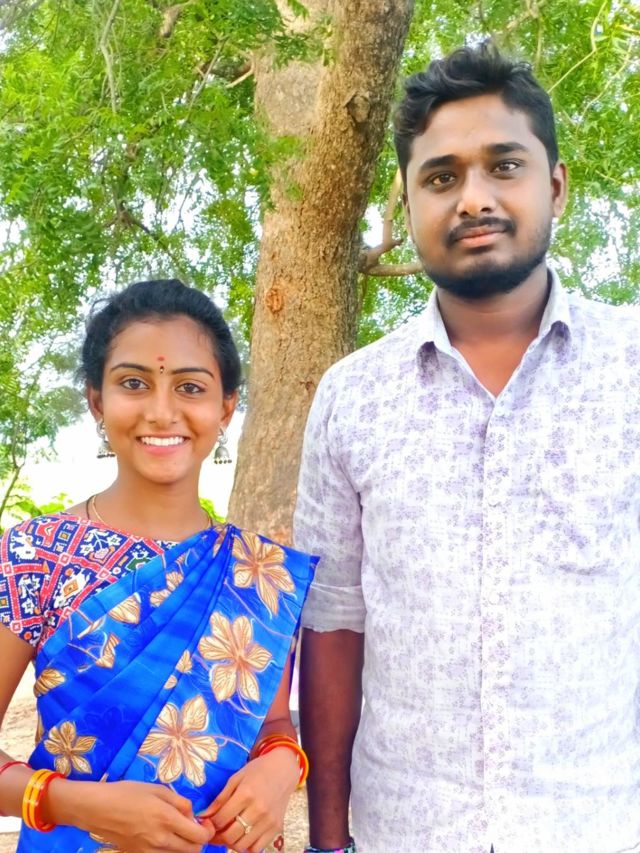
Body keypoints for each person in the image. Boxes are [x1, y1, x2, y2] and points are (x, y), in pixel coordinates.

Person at [294, 42, 640, 853]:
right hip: (405, 830)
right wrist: (328, 840)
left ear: (555, 185)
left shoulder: (631, 368)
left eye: (504, 166)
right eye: (442, 177)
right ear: (408, 200)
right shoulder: (351, 397)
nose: (474, 197)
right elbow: (334, 624)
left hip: (596, 823)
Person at [0, 279, 316, 852]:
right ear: (98, 401)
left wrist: (282, 765)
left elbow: (272, 727)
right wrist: (74, 803)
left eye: (190, 387)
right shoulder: (36, 553)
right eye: (134, 383)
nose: (162, 411)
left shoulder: (257, 572)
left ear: (226, 408)